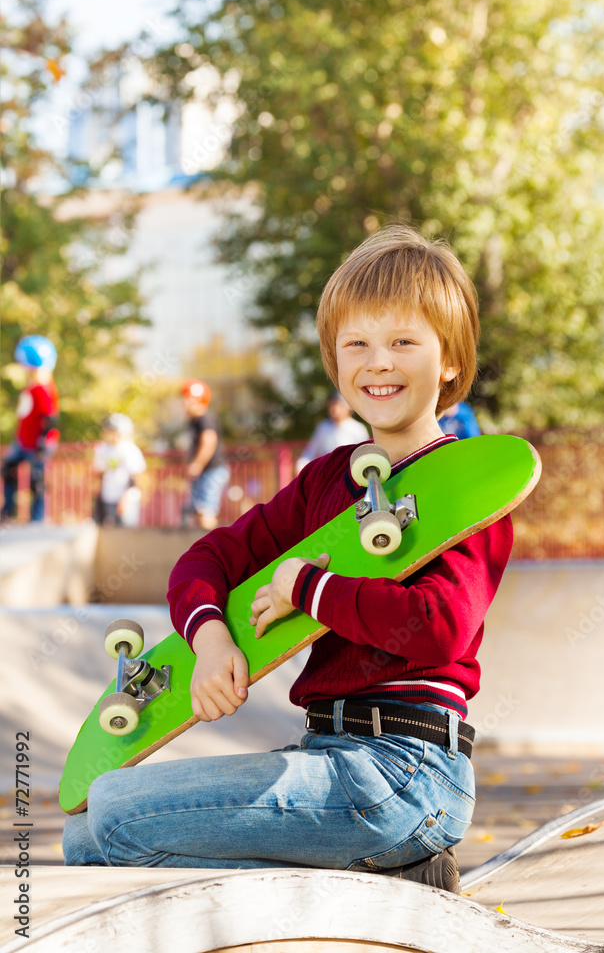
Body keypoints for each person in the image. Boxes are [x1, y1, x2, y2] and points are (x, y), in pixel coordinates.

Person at [63, 224, 513, 894]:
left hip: (406, 770)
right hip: (329, 755)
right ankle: (371, 876)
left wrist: (310, 589)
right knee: (83, 833)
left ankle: (372, 881)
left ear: (448, 361)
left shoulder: (470, 484)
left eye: (402, 342)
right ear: (334, 361)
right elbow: (207, 556)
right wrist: (210, 637)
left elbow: (436, 625)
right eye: (355, 343)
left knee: (118, 816)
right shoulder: (326, 481)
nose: (377, 362)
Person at [1, 336, 60, 523]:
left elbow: (50, 418)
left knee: (37, 479)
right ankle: (8, 511)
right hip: (22, 441)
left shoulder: (44, 388)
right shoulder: (30, 387)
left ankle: (37, 518)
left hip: (37, 443)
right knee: (8, 468)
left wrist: (43, 443)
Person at [181, 379, 229, 530]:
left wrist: (197, 464)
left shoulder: (204, 418)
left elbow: (209, 441)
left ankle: (211, 548)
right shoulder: (193, 421)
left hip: (211, 471)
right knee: (197, 511)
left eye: (186, 399)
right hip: (204, 472)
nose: (183, 403)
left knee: (206, 511)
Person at [92, 414, 146, 527]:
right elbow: (99, 474)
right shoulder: (102, 449)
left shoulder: (130, 450)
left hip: (126, 499)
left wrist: (126, 498)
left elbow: (136, 477)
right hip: (108, 497)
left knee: (126, 531)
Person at [296, 390, 369, 471]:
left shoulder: (358, 428)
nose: (334, 409)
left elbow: (365, 455)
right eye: (331, 405)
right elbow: (311, 452)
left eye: (337, 405)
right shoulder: (323, 427)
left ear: (348, 407)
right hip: (327, 473)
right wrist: (301, 465)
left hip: (350, 473)